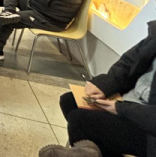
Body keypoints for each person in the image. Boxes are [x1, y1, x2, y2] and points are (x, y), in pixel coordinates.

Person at [46, 20, 156, 157]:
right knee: (70, 101)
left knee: (80, 120)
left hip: (149, 129)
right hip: (133, 104)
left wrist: (120, 108)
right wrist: (104, 85)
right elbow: (129, 62)